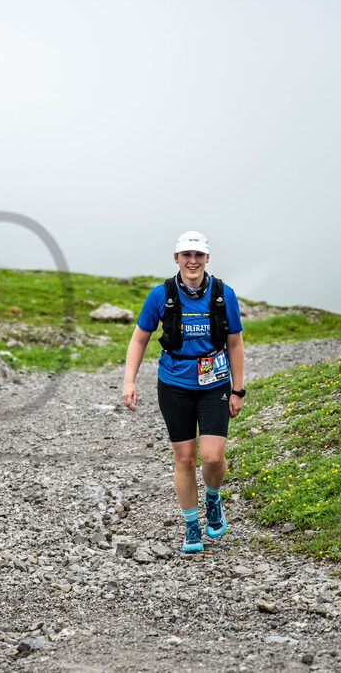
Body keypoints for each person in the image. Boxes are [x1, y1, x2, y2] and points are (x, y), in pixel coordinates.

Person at [121, 231, 245, 553]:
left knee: (213, 457)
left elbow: (234, 342)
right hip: (174, 384)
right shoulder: (160, 295)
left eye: (198, 255)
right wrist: (129, 381)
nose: (192, 261)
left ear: (206, 259)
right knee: (185, 459)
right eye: (186, 255)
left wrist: (238, 389)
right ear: (176, 259)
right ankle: (192, 525)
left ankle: (213, 498)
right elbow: (139, 338)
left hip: (215, 383)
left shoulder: (223, 294)